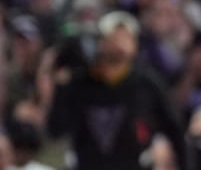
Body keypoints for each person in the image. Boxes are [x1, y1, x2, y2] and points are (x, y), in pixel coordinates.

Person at [45, 11, 185, 170]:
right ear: (101, 42)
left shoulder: (146, 84)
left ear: (135, 44)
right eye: (115, 36)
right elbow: (55, 130)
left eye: (126, 37)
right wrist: (61, 87)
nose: (120, 42)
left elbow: (175, 132)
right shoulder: (80, 84)